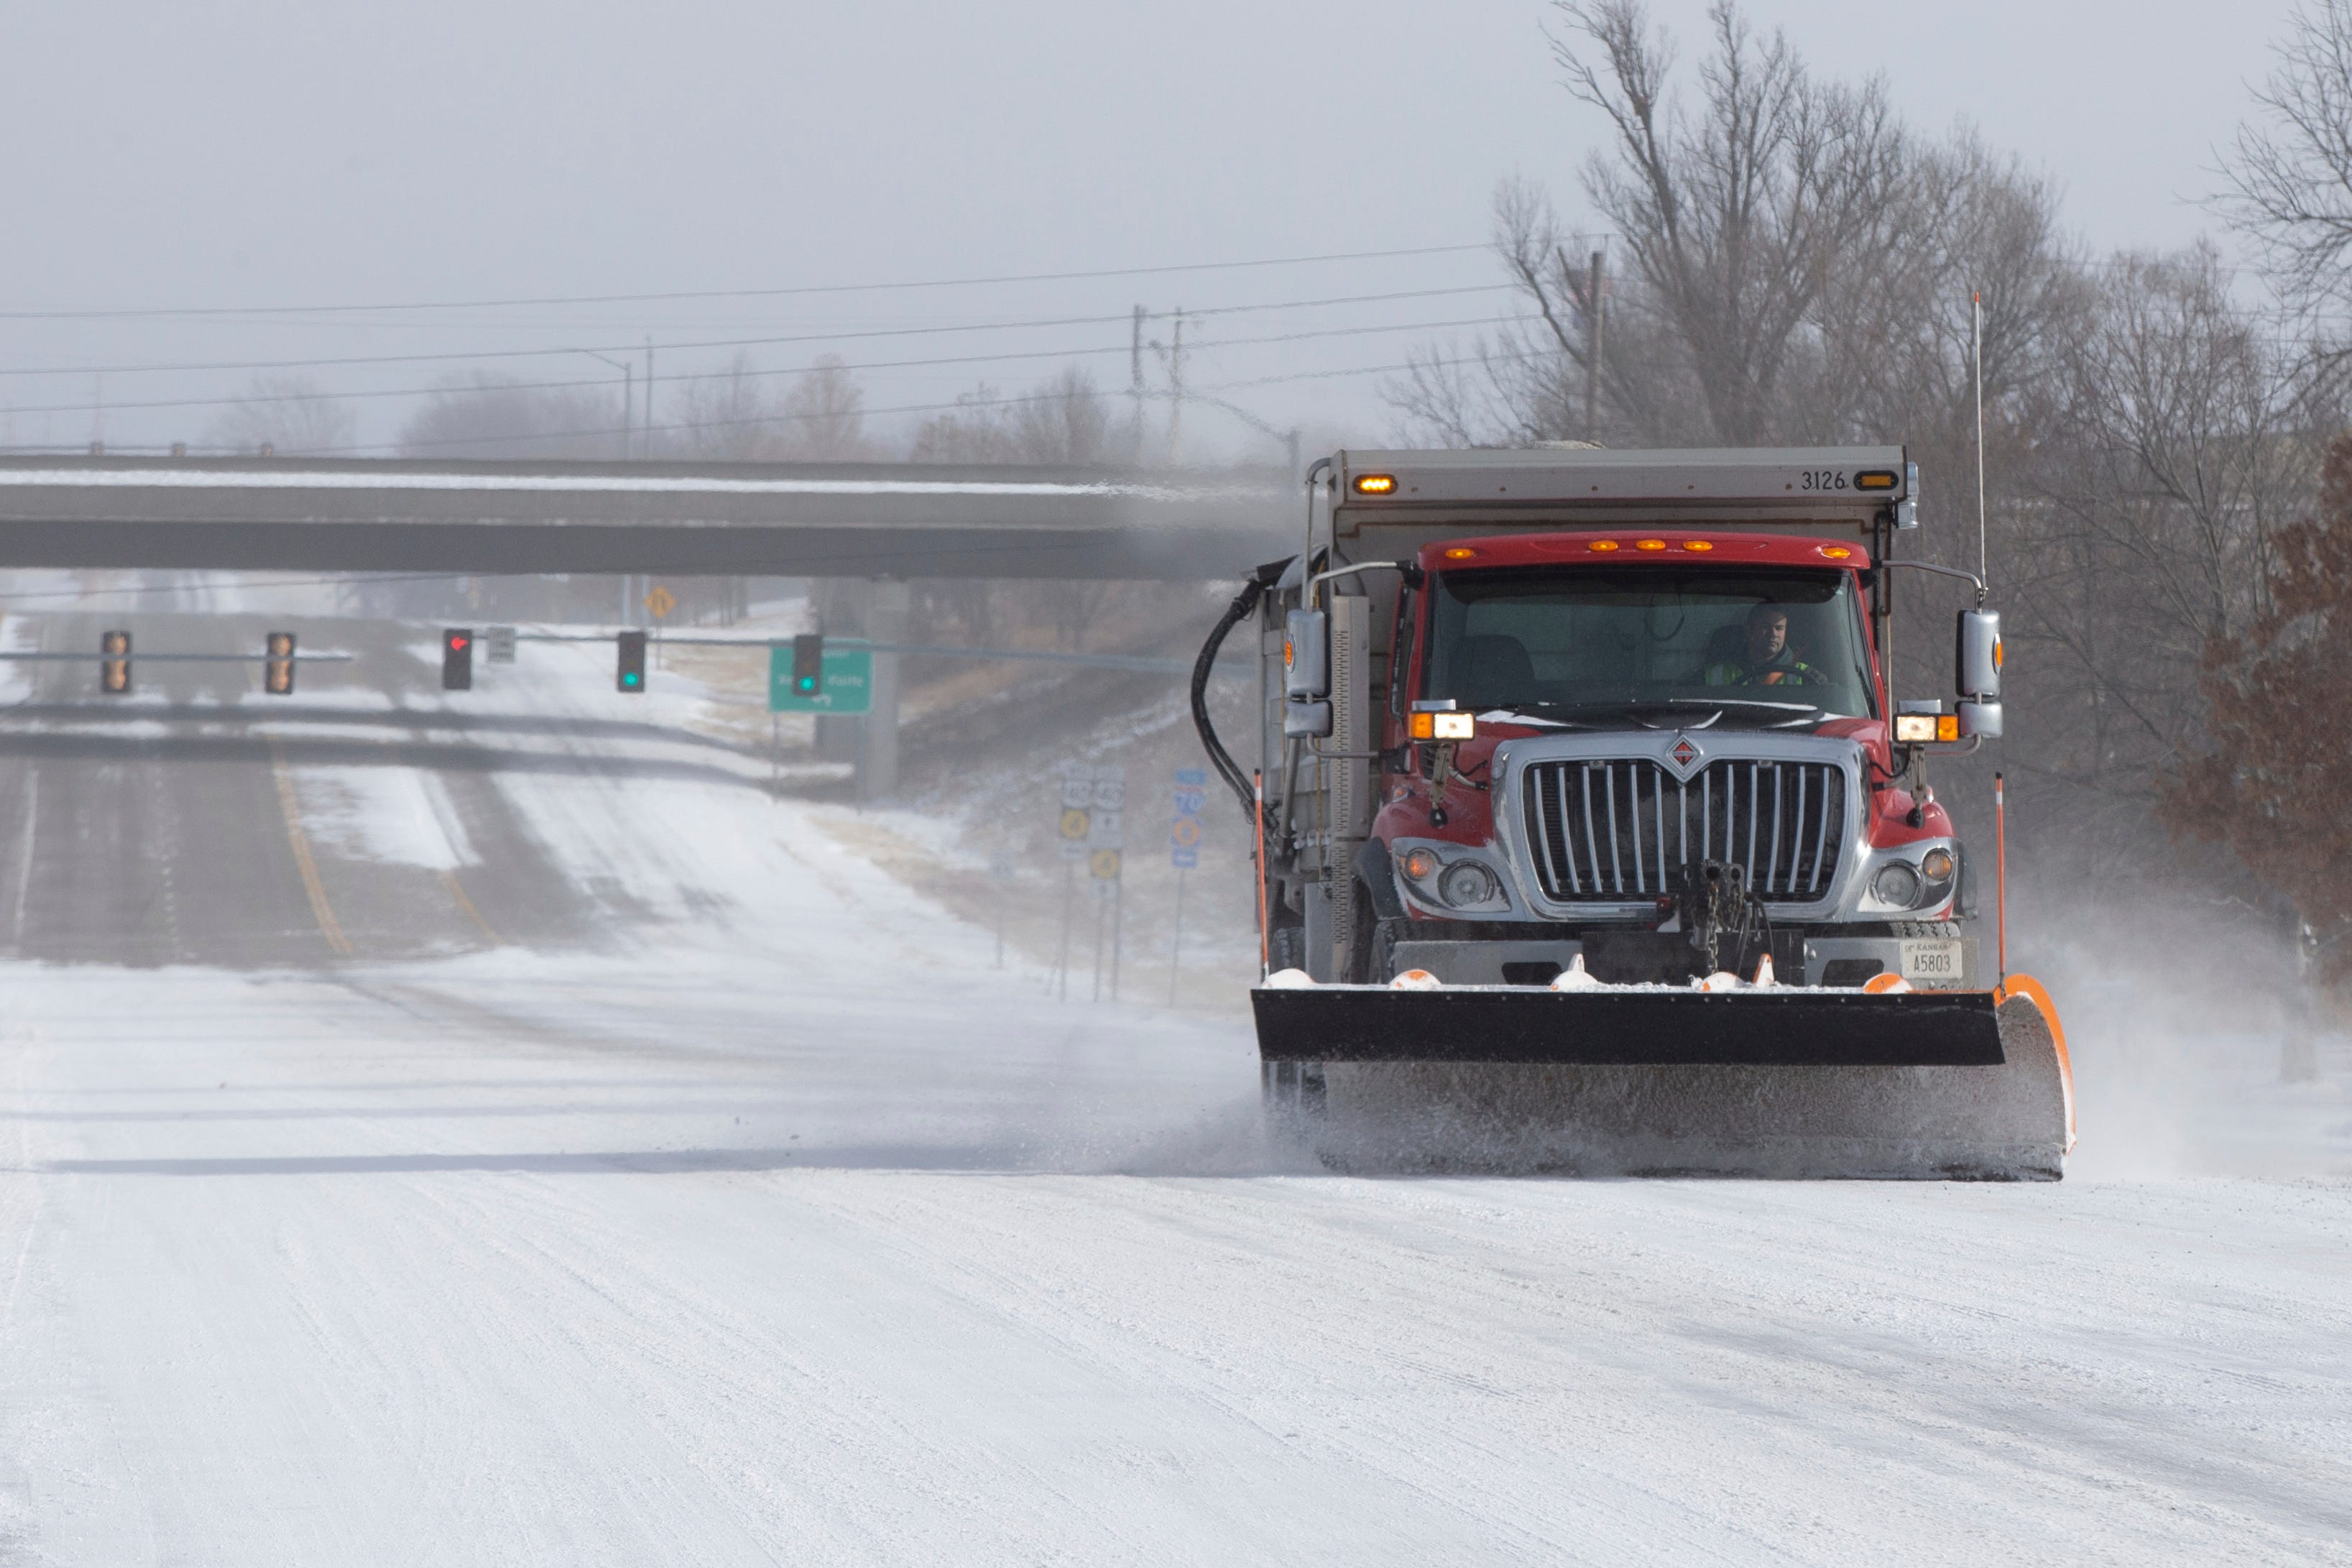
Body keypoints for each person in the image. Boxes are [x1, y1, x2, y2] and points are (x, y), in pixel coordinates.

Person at [1704, 602, 1821, 687]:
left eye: (1779, 628)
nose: (1773, 634)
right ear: (1749, 630)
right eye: (1765, 627)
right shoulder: (1714, 674)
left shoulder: (1808, 677)